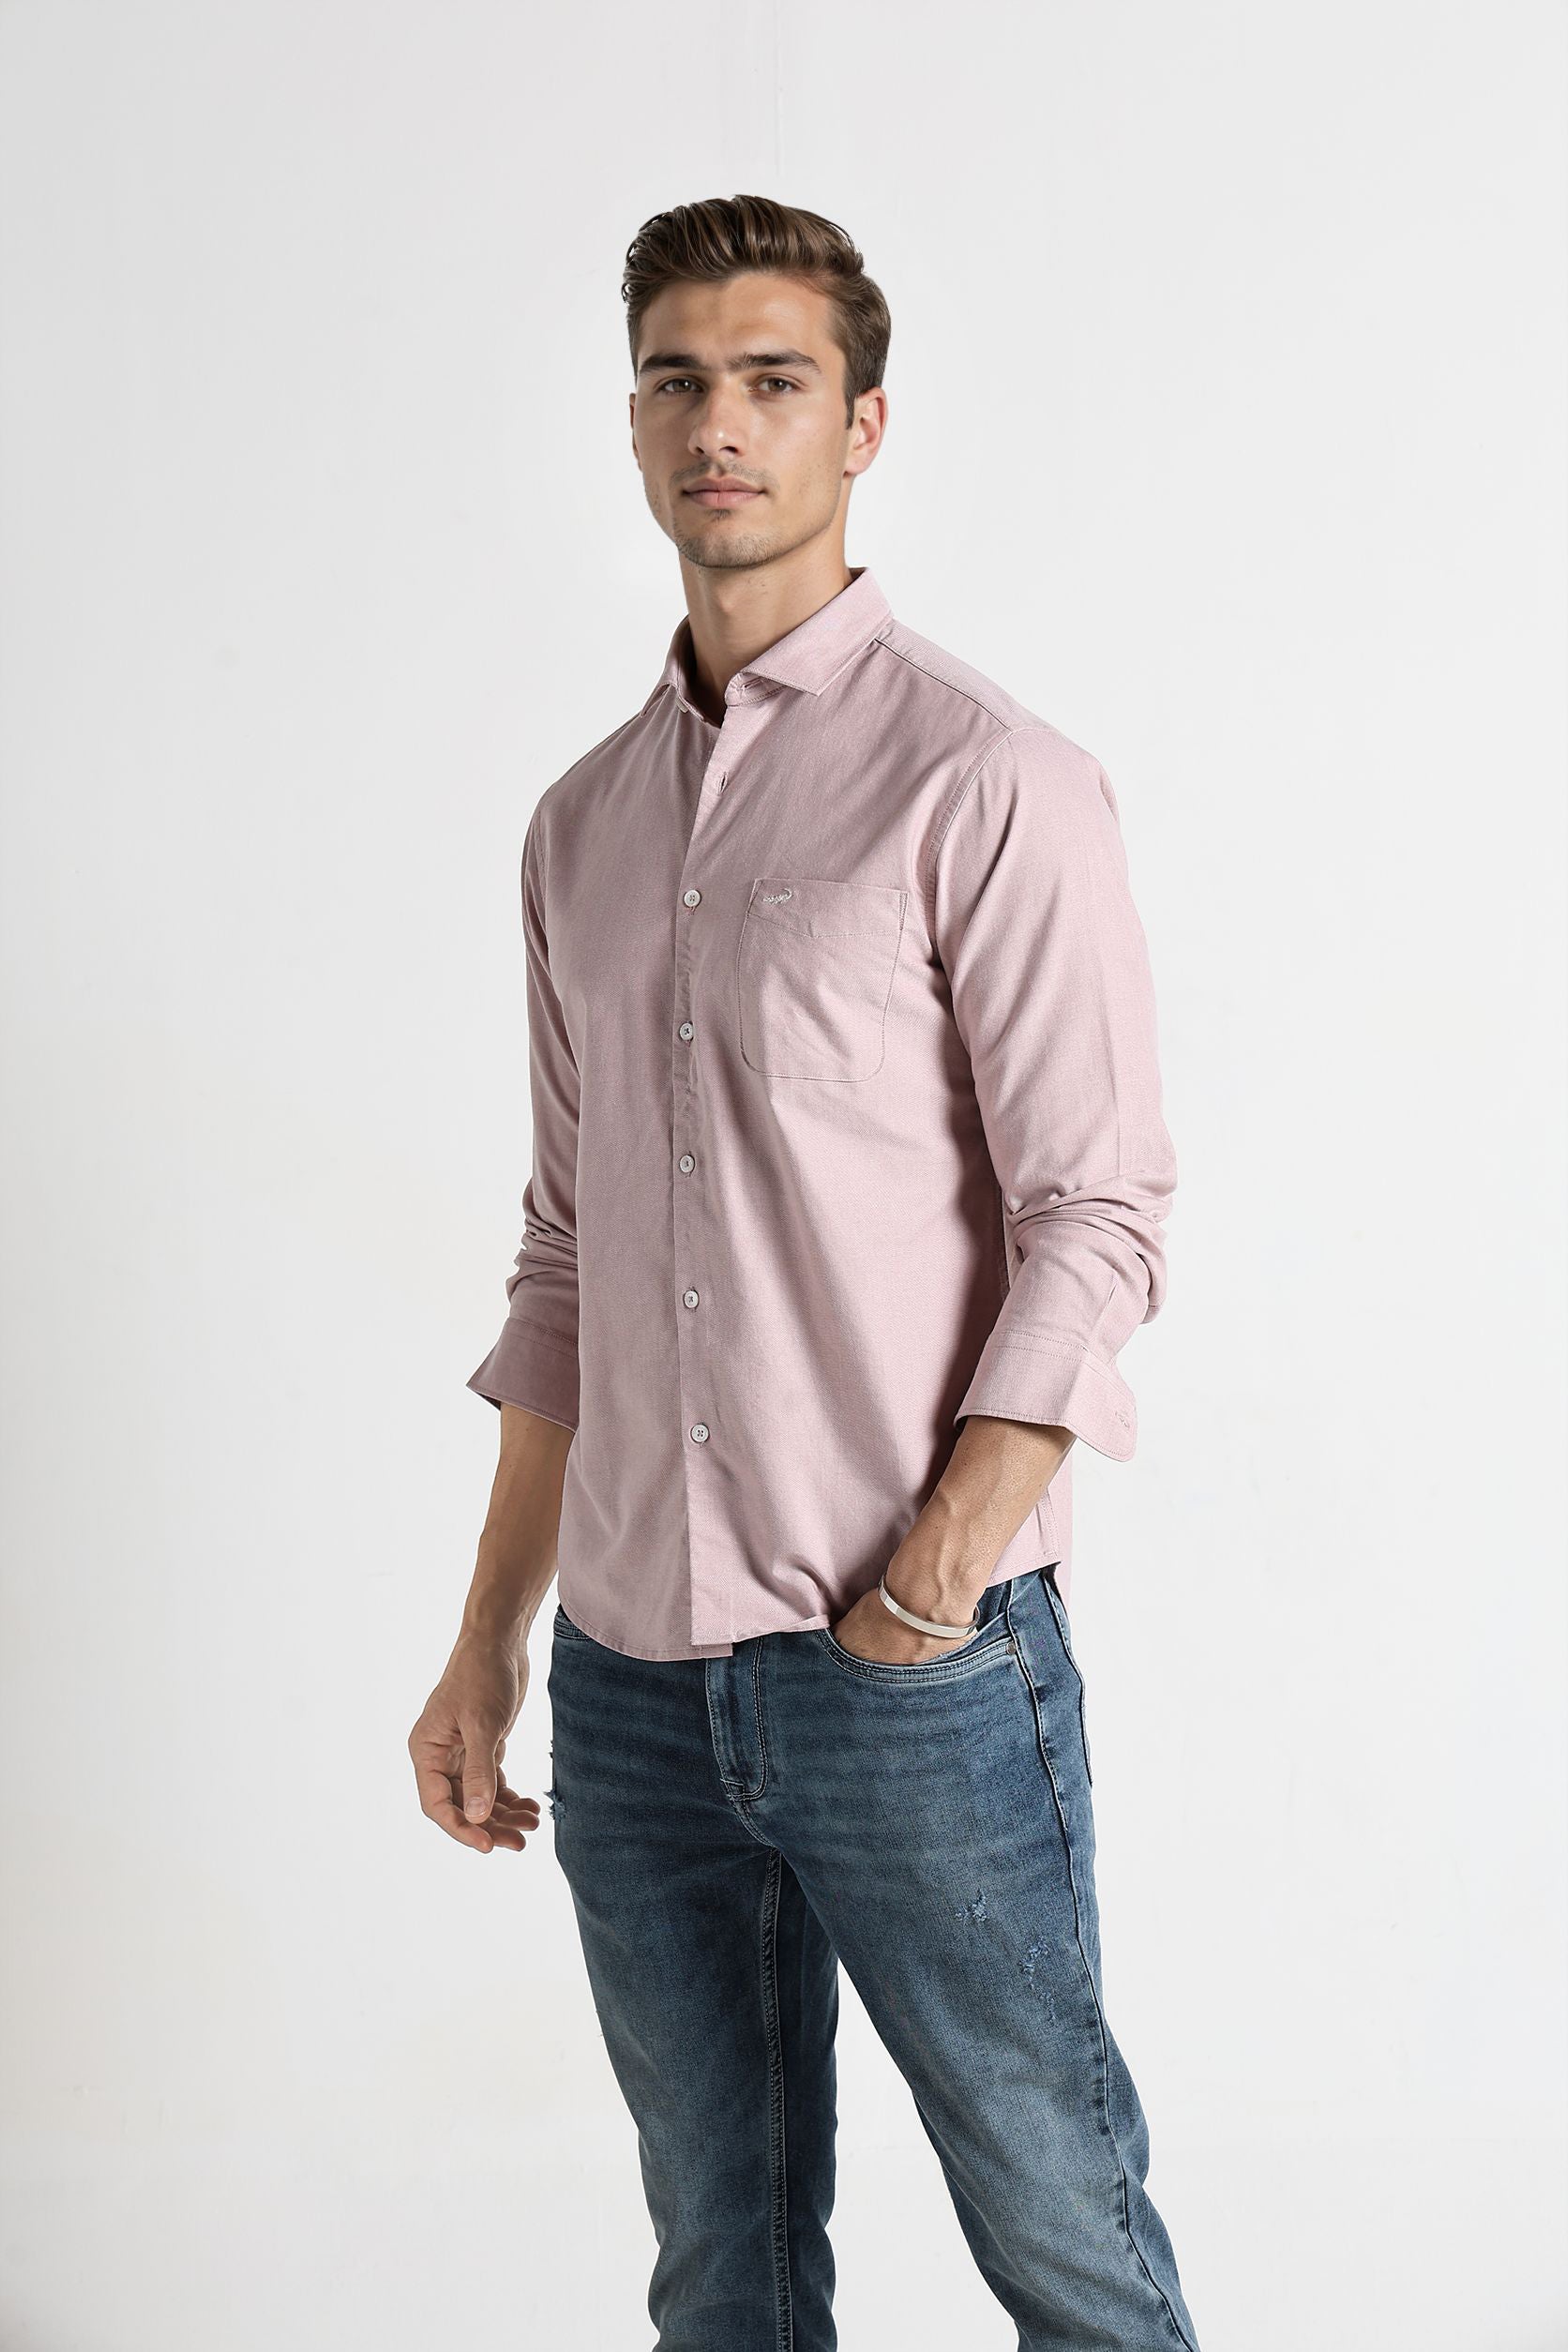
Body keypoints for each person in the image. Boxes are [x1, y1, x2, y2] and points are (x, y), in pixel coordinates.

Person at [410, 191, 1203, 2352]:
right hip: (634, 1686)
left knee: (1058, 2227)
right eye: (675, 379)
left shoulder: (987, 777)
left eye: (769, 381)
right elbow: (565, 1255)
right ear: (634, 422)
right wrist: (489, 1643)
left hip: (910, 1678)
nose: (716, 426)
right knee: (720, 2270)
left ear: (862, 426)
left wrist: (933, 1579)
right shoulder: (576, 829)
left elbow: (1098, 1216)